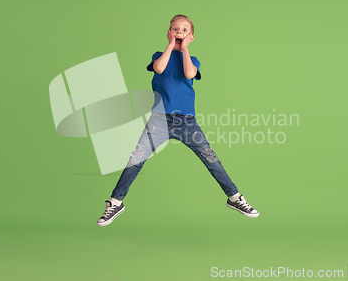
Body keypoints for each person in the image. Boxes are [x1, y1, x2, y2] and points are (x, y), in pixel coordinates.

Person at [96, 14, 259, 226]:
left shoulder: (192, 60)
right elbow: (159, 68)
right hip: (159, 121)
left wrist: (184, 50)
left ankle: (234, 197)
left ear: (191, 36)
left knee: (211, 159)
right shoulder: (158, 55)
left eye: (184, 30)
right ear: (169, 33)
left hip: (186, 122)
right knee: (135, 158)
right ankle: (116, 202)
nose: (179, 32)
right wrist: (171, 45)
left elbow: (189, 73)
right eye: (175, 29)